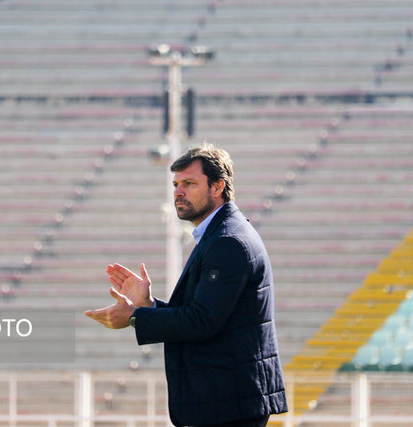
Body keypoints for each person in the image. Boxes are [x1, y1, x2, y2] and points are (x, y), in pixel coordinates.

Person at [85, 144, 288, 426]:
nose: (178, 192)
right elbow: (207, 314)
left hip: (229, 403)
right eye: (176, 184)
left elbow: (202, 321)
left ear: (218, 187)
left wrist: (134, 318)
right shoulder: (221, 234)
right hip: (228, 401)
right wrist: (148, 306)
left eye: (190, 184)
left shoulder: (227, 241)